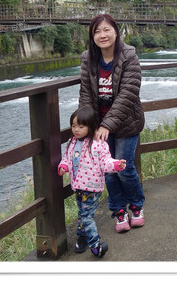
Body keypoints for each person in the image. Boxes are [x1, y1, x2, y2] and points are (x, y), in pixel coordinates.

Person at [79, 14, 146, 233]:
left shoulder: (129, 56)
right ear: (92, 36)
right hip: (99, 127)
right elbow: (85, 94)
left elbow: (128, 93)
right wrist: (86, 124)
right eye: (97, 31)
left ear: (116, 32)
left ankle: (136, 206)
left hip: (126, 122)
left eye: (106, 29)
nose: (102, 35)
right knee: (108, 171)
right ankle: (118, 211)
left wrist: (107, 125)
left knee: (124, 169)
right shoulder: (88, 59)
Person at [58, 107, 126, 258]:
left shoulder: (98, 144)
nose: (76, 129)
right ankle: (82, 237)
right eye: (73, 126)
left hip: (92, 189)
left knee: (87, 217)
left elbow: (105, 162)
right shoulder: (71, 142)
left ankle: (95, 246)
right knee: (82, 213)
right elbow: (67, 159)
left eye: (81, 126)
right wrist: (63, 167)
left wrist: (116, 165)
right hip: (77, 187)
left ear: (91, 126)